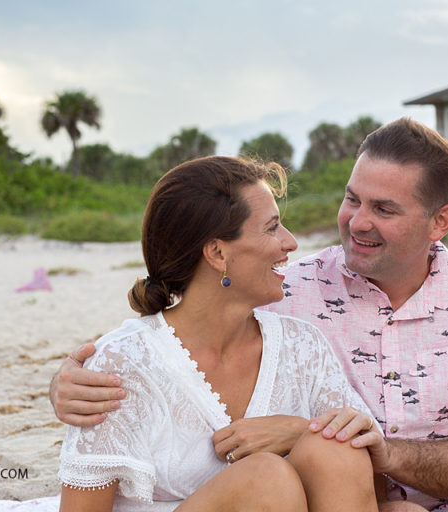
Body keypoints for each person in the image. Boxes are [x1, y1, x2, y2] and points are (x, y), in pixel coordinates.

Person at [51, 119, 448, 511]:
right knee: (293, 469)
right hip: (304, 496)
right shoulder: (285, 288)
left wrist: (350, 445)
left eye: (384, 209)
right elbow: (174, 322)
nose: (356, 221)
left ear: (441, 221)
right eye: (352, 198)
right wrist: (68, 386)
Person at [57, 155, 402, 512]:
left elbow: (366, 489)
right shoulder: (123, 363)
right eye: (272, 228)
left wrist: (302, 430)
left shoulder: (303, 346)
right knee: (265, 479)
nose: (291, 242)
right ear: (217, 253)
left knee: (337, 447)